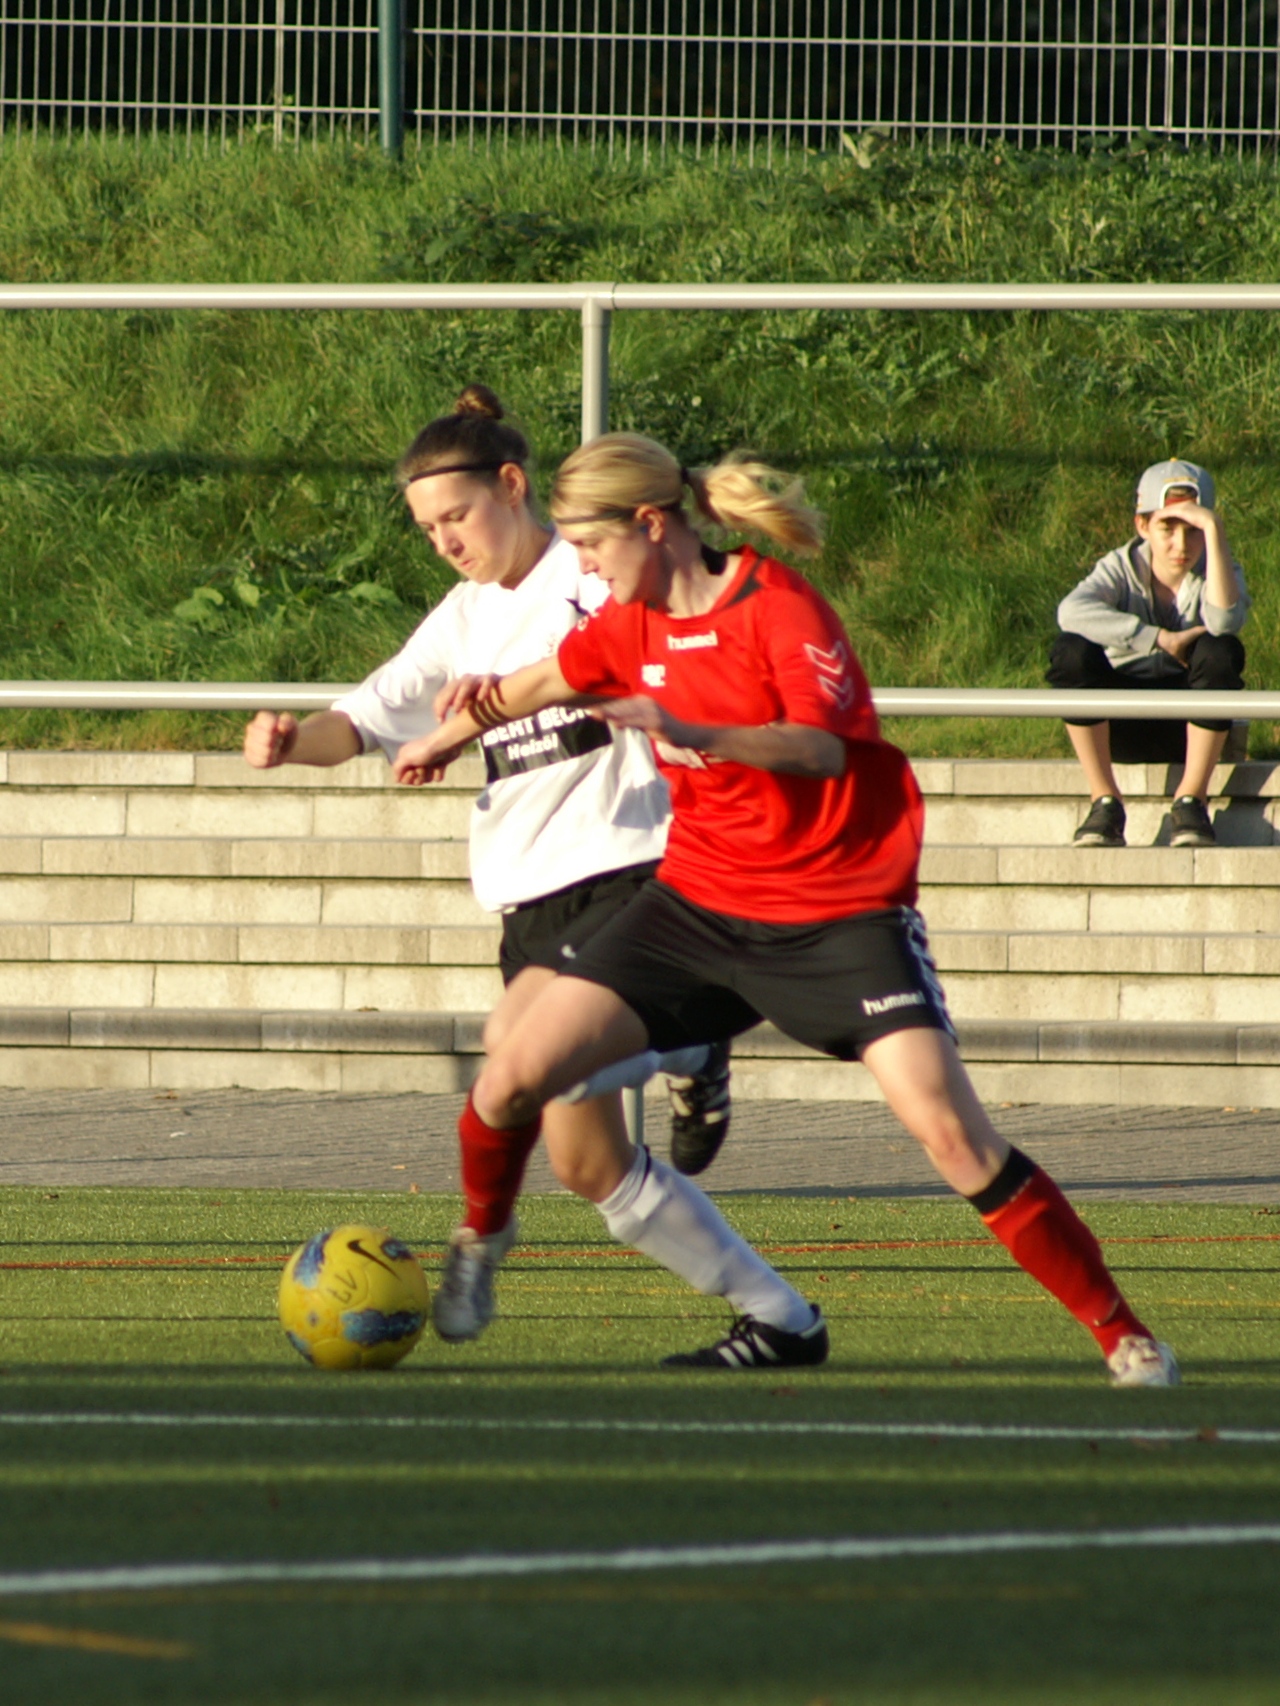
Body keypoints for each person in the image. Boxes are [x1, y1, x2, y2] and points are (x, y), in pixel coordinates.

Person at [391, 432, 1180, 1387]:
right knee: (513, 1071)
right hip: (694, 904)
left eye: (592, 548)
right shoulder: (630, 620)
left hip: (837, 911)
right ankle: (481, 1234)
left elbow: (820, 749)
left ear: (651, 523)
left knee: (950, 1133)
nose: (586, 569)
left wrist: (696, 731)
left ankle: (1122, 1333)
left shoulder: (777, 606)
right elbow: (545, 680)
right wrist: (448, 734)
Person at [243, 387, 819, 1358]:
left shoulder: (588, 572)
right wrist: (295, 739)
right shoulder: (462, 618)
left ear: (512, 486)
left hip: (633, 867)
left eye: (456, 516)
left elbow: (648, 656)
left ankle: (482, 1233)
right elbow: (367, 719)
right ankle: (777, 1312)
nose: (444, 541)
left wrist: (503, 704)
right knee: (587, 1162)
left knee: (513, 1062)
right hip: (530, 900)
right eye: (426, 528)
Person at [1047, 458, 1249, 849]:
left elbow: (1224, 622)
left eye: (1193, 529)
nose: (1181, 544)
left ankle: (1191, 800)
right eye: (1167, 527)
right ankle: (1104, 801)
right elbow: (1069, 612)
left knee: (1220, 650)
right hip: (1120, 721)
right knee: (1070, 651)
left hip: (1190, 728)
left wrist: (1215, 529)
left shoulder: (1219, 569)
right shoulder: (1119, 567)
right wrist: (1157, 638)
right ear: (1142, 526)